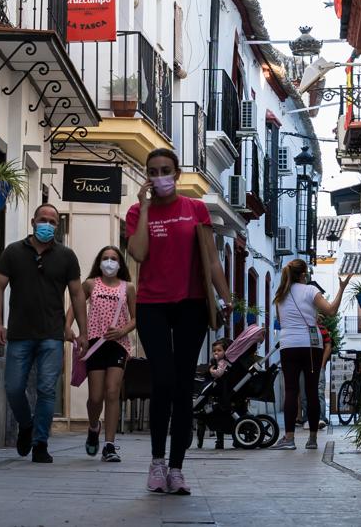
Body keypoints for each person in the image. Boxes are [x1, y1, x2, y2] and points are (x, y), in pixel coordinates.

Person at [127, 148, 232, 495]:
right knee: (164, 381)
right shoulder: (134, 212)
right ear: (147, 176)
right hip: (152, 305)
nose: (160, 177)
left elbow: (212, 261)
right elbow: (139, 253)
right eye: (154, 171)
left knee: (184, 384)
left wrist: (226, 298)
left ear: (177, 174)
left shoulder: (195, 209)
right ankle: (156, 462)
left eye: (166, 170)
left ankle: (176, 468)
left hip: (191, 304)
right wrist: (144, 208)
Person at [0, 203, 88, 464]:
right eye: (43, 219)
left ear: (58, 226)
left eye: (53, 221)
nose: (47, 224)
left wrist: (83, 331)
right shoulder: (13, 252)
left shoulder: (66, 256)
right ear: (33, 222)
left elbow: (77, 294)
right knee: (13, 388)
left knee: (46, 390)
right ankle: (26, 424)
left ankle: (40, 442)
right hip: (19, 333)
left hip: (52, 336)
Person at [269, 259, 352, 450]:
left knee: (291, 390)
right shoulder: (310, 290)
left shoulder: (279, 295)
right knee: (312, 390)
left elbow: (282, 321)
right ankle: (312, 439)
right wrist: (341, 288)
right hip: (311, 346)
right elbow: (331, 310)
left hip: (288, 345)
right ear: (303, 274)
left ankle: (289, 438)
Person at [65, 246, 137, 462]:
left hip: (118, 344)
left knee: (112, 392)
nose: (109, 262)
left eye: (113, 258)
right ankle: (94, 426)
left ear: (120, 263)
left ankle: (110, 445)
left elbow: (135, 317)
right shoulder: (90, 284)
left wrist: (123, 330)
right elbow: (75, 304)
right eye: (105, 258)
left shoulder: (129, 288)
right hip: (94, 343)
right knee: (95, 396)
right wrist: (68, 327)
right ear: (99, 261)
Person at [208, 338, 232, 450]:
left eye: (219, 350)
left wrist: (211, 371)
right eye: (214, 351)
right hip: (222, 392)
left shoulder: (223, 362)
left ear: (226, 351)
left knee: (219, 416)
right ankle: (221, 440)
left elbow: (219, 373)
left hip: (222, 393)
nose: (216, 352)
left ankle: (219, 440)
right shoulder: (218, 361)